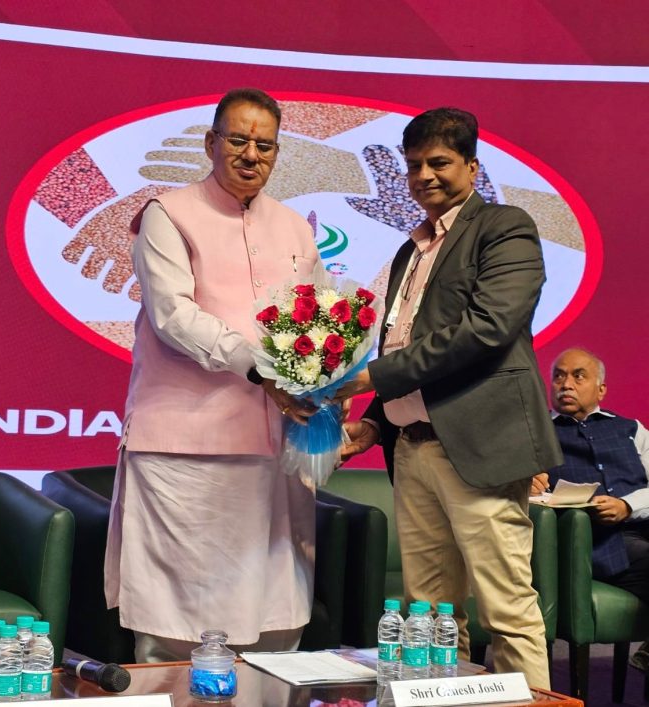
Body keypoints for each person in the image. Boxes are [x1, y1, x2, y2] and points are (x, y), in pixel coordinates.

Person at [336, 107, 562, 688]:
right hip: (412, 449)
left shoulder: (505, 227)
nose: (424, 176)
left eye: (439, 162)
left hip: (481, 444)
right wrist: (376, 422)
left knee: (506, 610)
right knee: (428, 615)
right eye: (414, 165)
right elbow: (406, 344)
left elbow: (486, 330)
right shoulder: (411, 249)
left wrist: (374, 377)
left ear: (472, 166)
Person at [104, 88, 321, 662]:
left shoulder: (296, 227)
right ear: (210, 143)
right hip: (186, 448)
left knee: (276, 613)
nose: (251, 154)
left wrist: (328, 387)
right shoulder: (167, 214)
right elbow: (172, 315)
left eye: (264, 145)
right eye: (238, 140)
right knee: (179, 617)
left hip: (277, 447)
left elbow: (320, 319)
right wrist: (262, 367)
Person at [532, 348, 649, 671]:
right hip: (592, 543)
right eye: (559, 376)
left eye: (578, 376)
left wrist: (628, 505)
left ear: (601, 389)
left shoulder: (632, 429)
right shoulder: (537, 433)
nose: (566, 384)